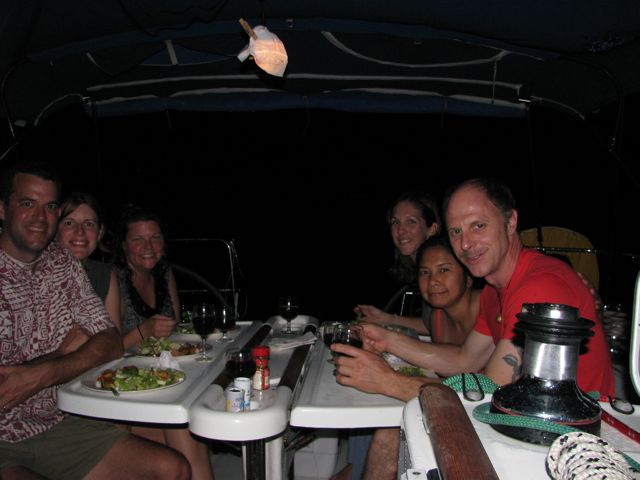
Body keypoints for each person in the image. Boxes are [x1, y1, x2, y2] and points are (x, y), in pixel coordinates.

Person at [333, 177, 615, 479]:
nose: (465, 244)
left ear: (511, 221)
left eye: (478, 226)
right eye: (456, 231)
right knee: (391, 432)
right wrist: (387, 339)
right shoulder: (495, 291)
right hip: (530, 430)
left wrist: (388, 381)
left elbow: (486, 396)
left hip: (572, 449)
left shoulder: (539, 285)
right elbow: (463, 358)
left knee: (395, 431)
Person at [0, 162, 189, 479]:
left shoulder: (61, 262)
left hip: (60, 424)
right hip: (5, 440)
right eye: (27, 204)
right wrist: (61, 355)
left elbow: (108, 342)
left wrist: (41, 372)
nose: (40, 217)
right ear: (3, 209)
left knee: (174, 468)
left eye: (50, 206)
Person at [113, 206, 214, 480]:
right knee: (187, 428)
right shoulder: (115, 280)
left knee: (194, 426)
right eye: (138, 239)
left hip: (166, 382)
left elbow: (177, 330)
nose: (148, 247)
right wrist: (143, 331)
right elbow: (107, 350)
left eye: (155, 238)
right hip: (128, 390)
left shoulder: (164, 273)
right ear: (123, 245)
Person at [354, 191, 441, 334]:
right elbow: (430, 323)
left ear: (431, 229)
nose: (401, 230)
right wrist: (382, 318)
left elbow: (438, 326)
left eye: (410, 221)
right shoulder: (414, 273)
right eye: (395, 222)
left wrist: (385, 321)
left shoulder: (441, 269)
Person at [56, 192, 121, 330]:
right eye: (69, 223)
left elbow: (114, 342)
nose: (80, 232)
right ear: (55, 230)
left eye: (89, 224)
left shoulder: (104, 274)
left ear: (100, 232)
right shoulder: (38, 271)